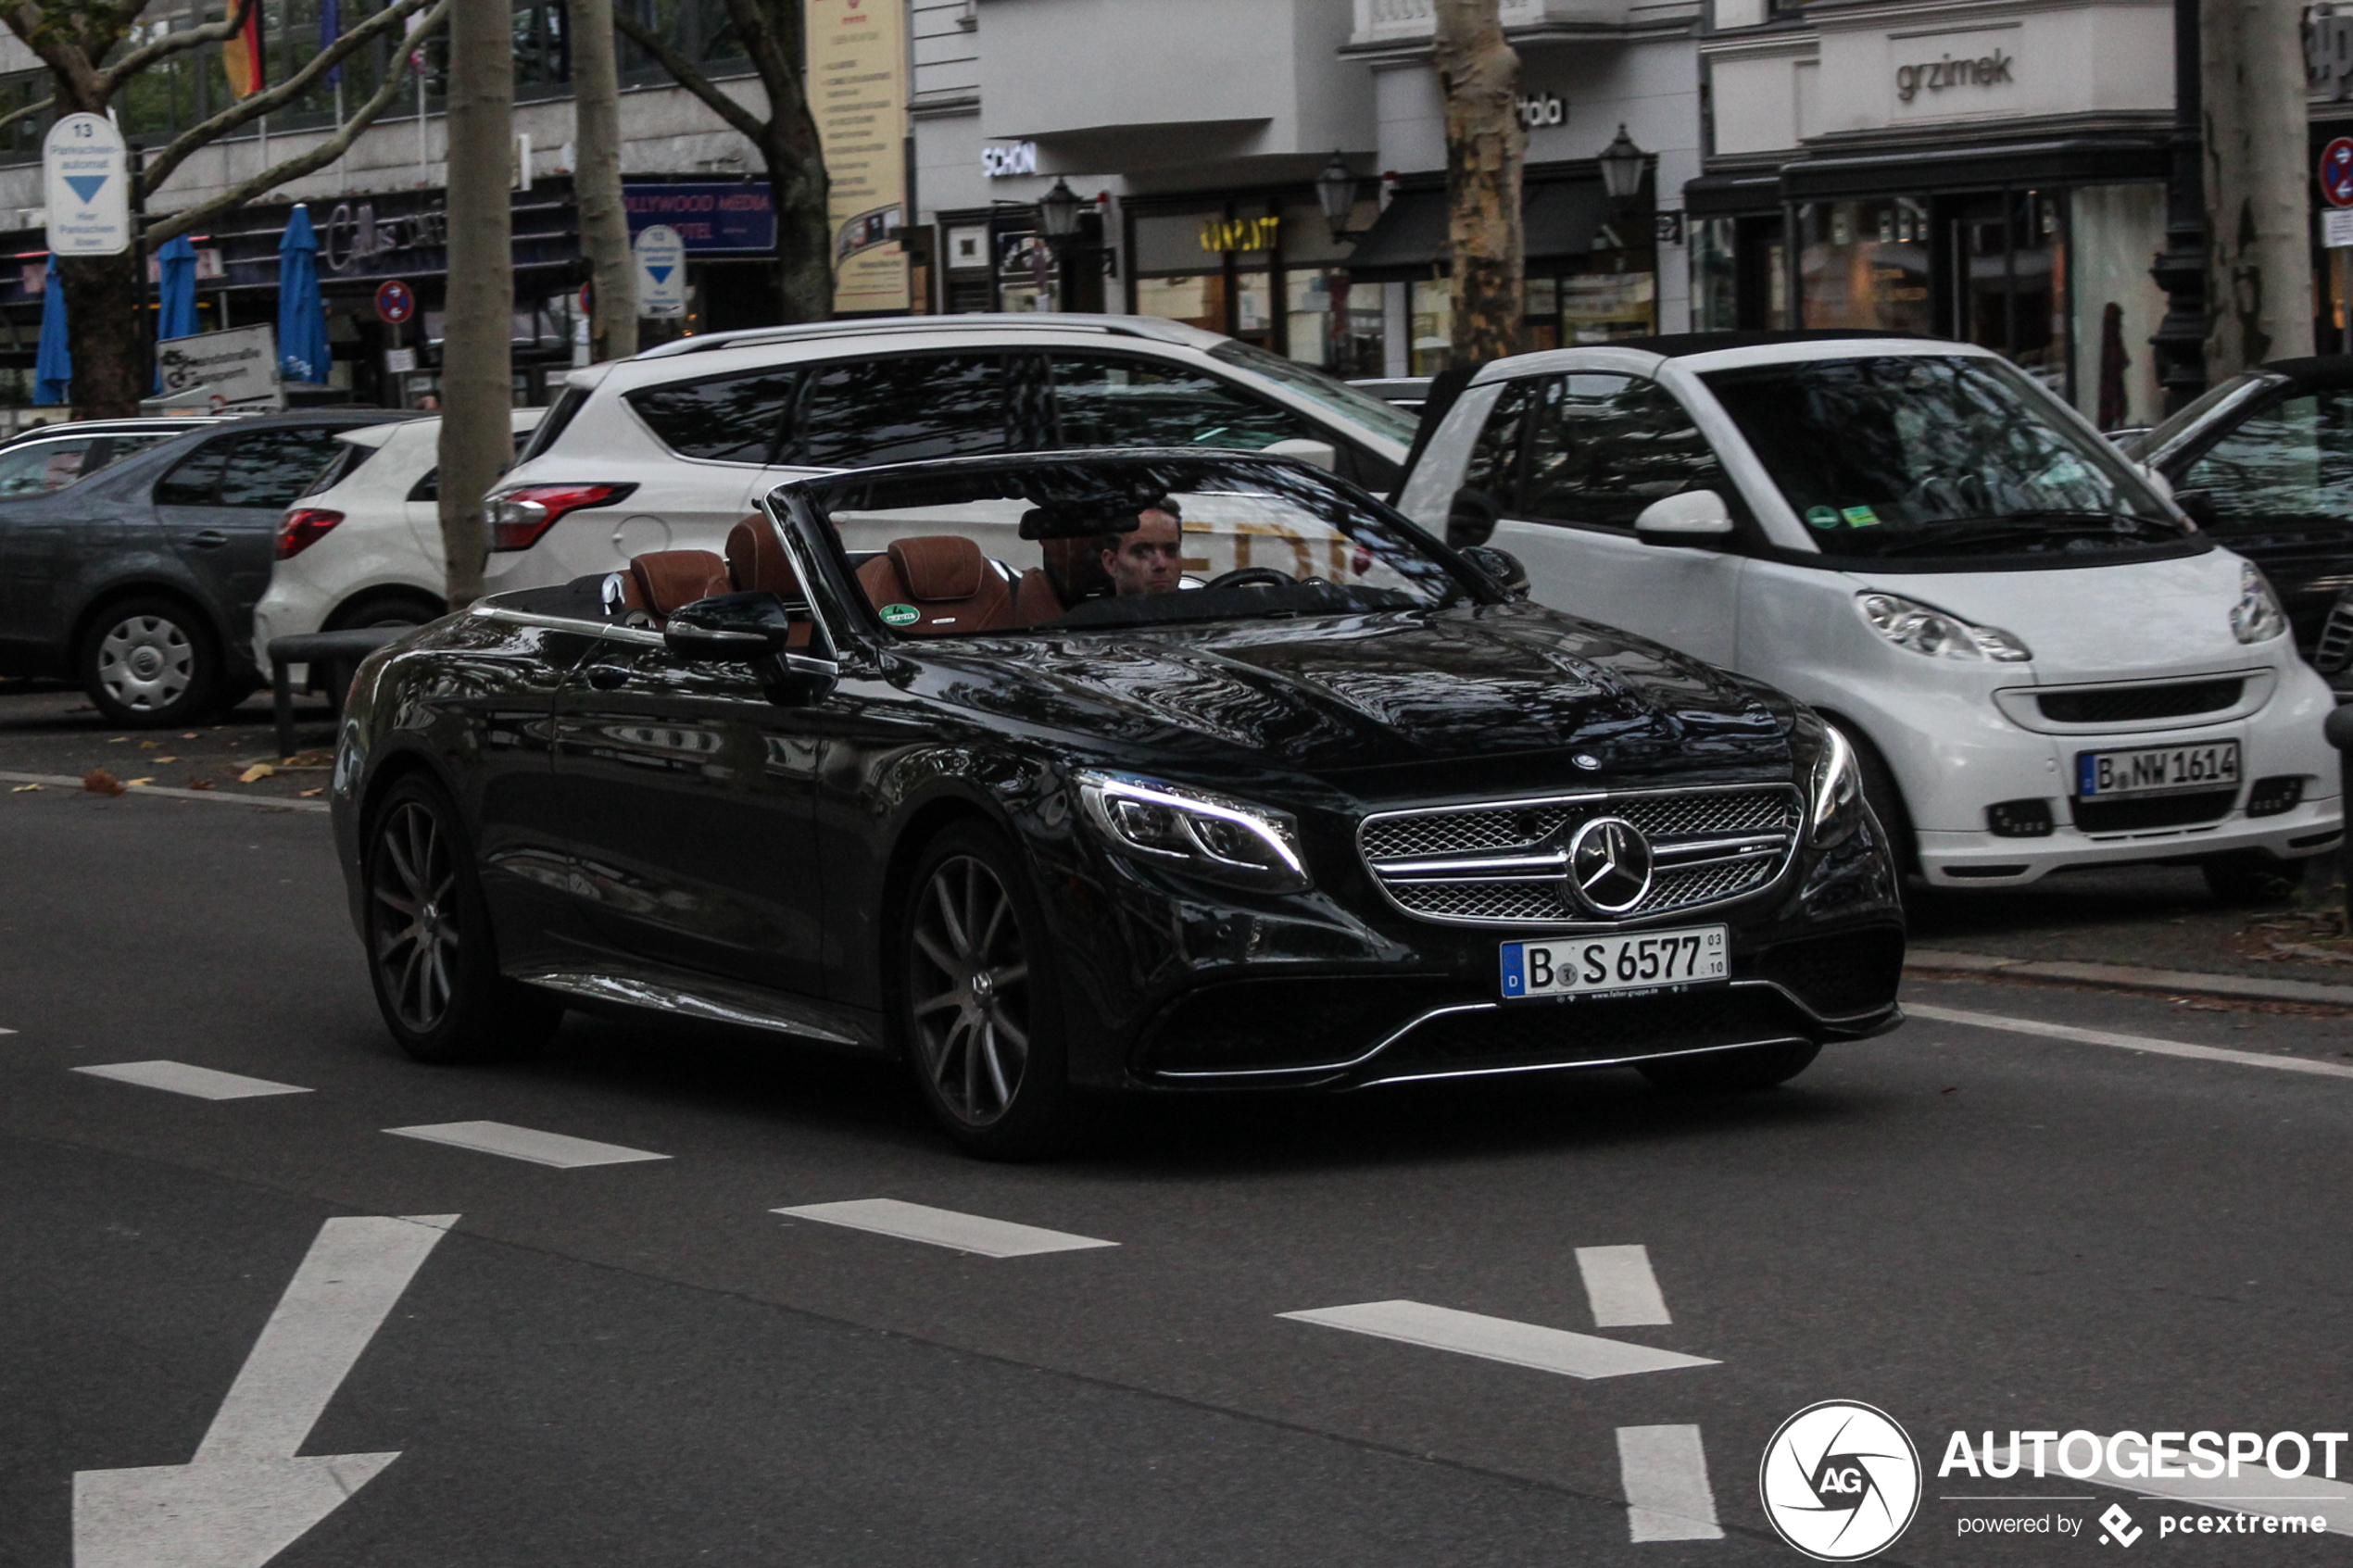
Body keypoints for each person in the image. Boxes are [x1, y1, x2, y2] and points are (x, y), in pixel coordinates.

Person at [1102, 497, 1182, 596]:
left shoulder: (1201, 609)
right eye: (1142, 552)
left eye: (1171, 551)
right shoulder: (1089, 611)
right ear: (1111, 562)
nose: (1161, 564)